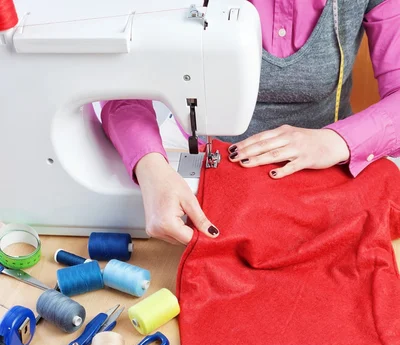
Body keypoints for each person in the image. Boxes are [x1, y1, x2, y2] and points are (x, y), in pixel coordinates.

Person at [101, 0, 400, 245]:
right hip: (194, 148)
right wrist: (151, 168)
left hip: (326, 163)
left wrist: (338, 140)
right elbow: (120, 81)